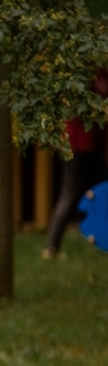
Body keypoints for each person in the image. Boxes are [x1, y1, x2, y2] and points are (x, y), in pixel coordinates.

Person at [44, 68, 108, 258]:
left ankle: (53, 246)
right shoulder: (80, 71)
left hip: (92, 144)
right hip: (80, 145)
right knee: (70, 192)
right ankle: (51, 247)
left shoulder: (96, 68)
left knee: (99, 188)